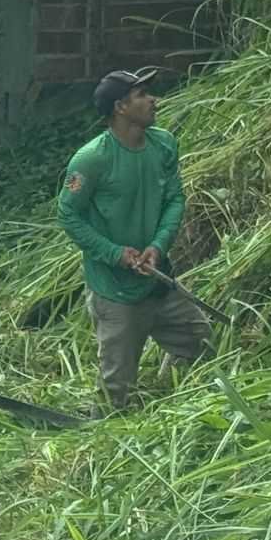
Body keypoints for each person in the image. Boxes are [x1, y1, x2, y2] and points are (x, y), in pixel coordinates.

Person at [57, 67, 212, 409]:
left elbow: (174, 198)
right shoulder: (91, 159)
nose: (152, 100)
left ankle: (173, 387)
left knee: (204, 348)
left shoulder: (164, 144)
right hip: (116, 290)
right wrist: (115, 254)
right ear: (120, 108)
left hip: (158, 279)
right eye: (142, 95)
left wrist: (158, 246)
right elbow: (68, 213)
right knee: (116, 395)